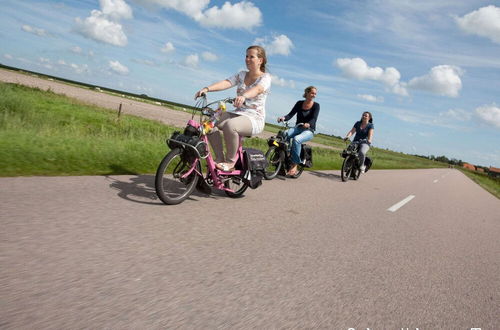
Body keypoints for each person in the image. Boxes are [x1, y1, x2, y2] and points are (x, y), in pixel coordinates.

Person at [194, 45, 271, 171]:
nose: (247, 59)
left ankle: (230, 163)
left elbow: (258, 89)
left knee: (231, 125)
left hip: (254, 118)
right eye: (246, 56)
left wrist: (244, 96)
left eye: (251, 57)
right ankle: (219, 158)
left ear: (260, 60)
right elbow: (226, 82)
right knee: (209, 123)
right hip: (238, 113)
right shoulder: (241, 74)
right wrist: (207, 89)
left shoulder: (265, 78)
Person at [277, 86, 320, 176]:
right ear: (307, 93)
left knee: (297, 139)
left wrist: (308, 124)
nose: (314, 95)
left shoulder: (316, 105)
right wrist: (283, 118)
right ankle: (287, 155)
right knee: (284, 134)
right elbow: (290, 114)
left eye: (315, 94)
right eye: (312, 93)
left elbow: (314, 119)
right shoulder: (299, 103)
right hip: (298, 127)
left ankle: (295, 164)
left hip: (309, 130)